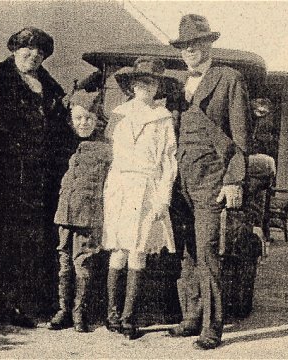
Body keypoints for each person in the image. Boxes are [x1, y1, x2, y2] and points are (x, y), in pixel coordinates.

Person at [0, 27, 75, 334]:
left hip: (35, 180)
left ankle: (11, 304)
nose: (32, 55)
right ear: (14, 50)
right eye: (26, 48)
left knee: (22, 243)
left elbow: (60, 134)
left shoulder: (50, 88)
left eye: (39, 51)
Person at [167, 14, 251, 350]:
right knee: (187, 254)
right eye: (184, 45)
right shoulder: (178, 85)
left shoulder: (229, 79)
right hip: (181, 181)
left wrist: (234, 181)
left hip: (212, 181)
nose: (188, 51)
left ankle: (212, 328)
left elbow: (242, 137)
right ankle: (191, 317)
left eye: (195, 44)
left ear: (208, 45)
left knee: (208, 255)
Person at [103, 57, 178, 339]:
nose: (147, 87)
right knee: (117, 248)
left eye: (152, 83)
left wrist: (163, 198)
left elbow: (168, 161)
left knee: (138, 249)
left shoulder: (163, 119)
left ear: (158, 87)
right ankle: (111, 313)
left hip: (147, 187)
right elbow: (111, 155)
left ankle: (129, 317)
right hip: (119, 186)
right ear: (132, 85)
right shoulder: (119, 115)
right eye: (142, 82)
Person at [48, 90, 112, 332]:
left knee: (83, 263)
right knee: (63, 261)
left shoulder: (106, 149)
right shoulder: (65, 145)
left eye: (88, 118)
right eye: (78, 119)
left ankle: (79, 312)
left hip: (89, 215)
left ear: (97, 121)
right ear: (70, 121)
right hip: (64, 214)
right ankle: (63, 309)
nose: (83, 123)